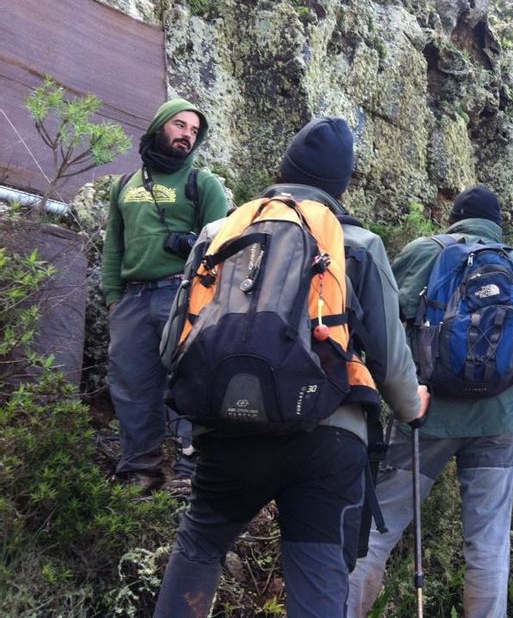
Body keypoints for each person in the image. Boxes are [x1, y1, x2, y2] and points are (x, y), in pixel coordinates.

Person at [153, 115, 430, 617]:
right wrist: (413, 406)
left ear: (284, 168)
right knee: (319, 581)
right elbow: (390, 362)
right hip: (329, 437)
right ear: (341, 185)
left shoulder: (221, 231)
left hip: (229, 432)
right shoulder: (359, 244)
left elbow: (172, 347)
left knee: (199, 549)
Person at [348, 186, 513, 617]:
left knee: (375, 534)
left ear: (455, 217)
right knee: (489, 546)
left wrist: (394, 396)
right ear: (497, 222)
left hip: (423, 417)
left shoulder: (425, 252)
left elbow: (379, 324)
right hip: (498, 423)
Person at [101, 98, 229, 495]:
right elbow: (113, 247)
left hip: (183, 293)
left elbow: (222, 248)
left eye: (194, 131)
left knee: (191, 380)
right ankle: (141, 469)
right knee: (130, 383)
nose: (187, 135)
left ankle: (192, 468)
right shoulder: (124, 186)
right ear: (159, 126)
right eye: (180, 125)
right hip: (133, 299)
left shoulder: (202, 184)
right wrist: (113, 299)